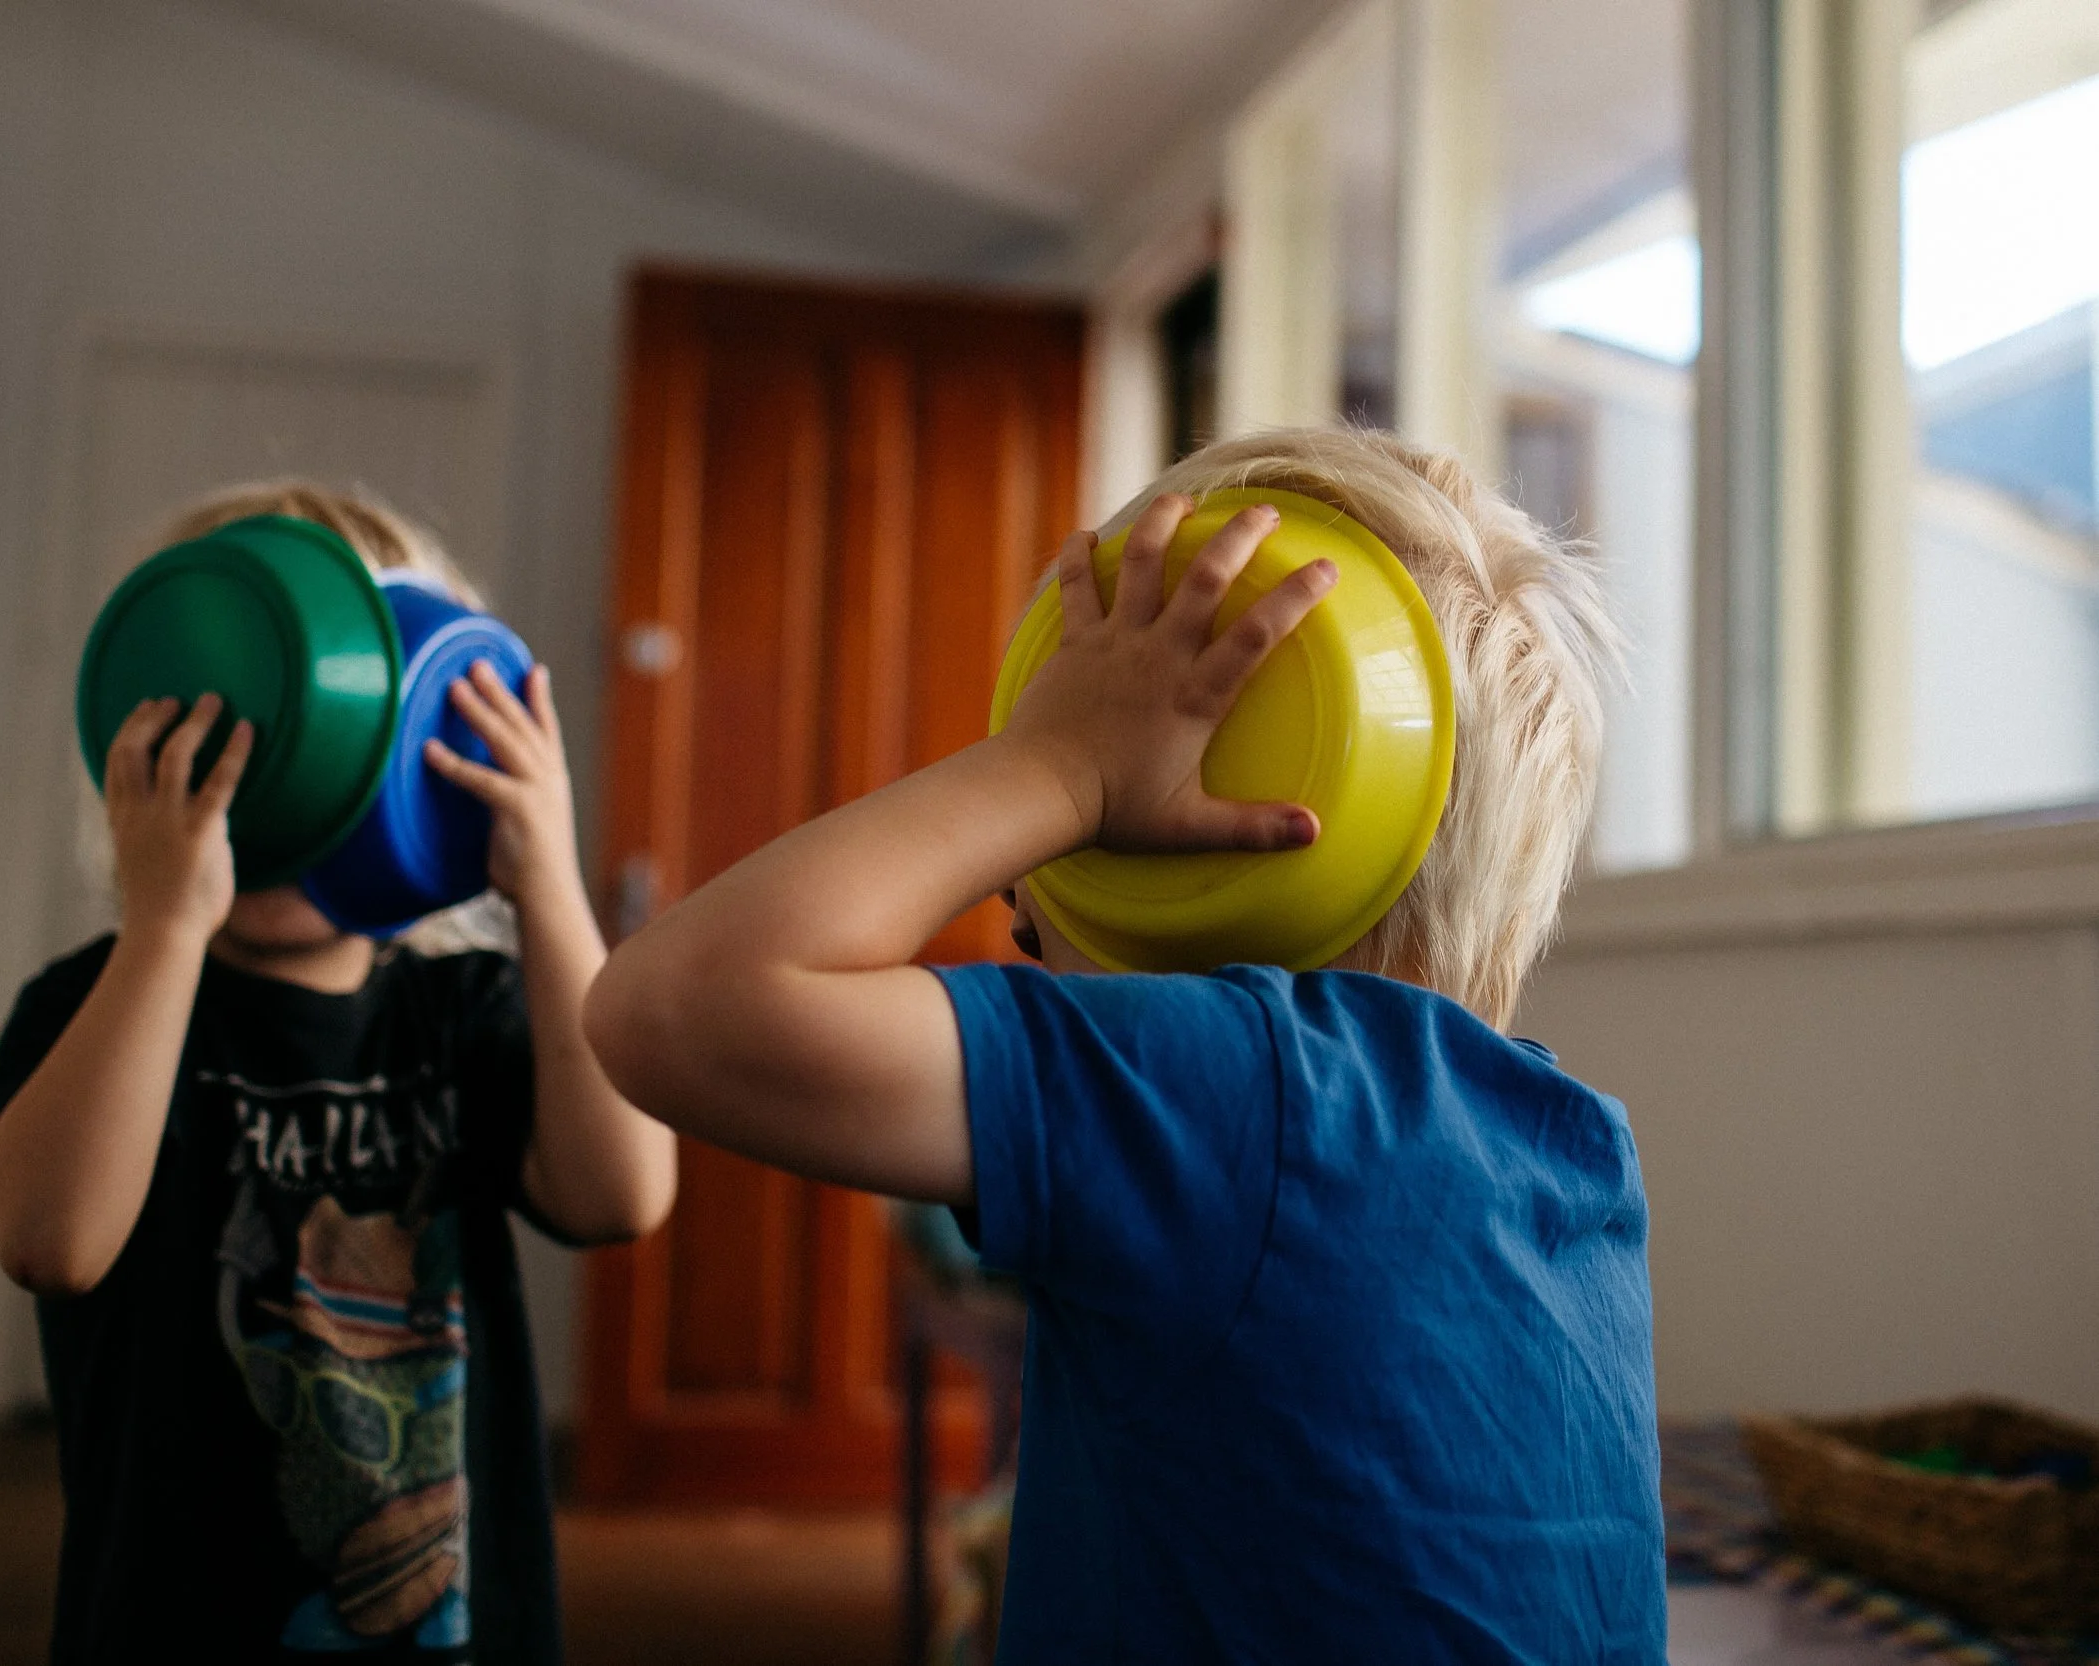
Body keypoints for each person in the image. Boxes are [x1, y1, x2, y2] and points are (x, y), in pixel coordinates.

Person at [585, 427, 1662, 1663]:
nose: (1020, 890)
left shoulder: (1243, 1087)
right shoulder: (1579, 1144)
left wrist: (1055, 764)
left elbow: (671, 1005)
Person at [0, 483, 675, 1664]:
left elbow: (621, 1195)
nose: (296, 800)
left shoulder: (464, 1011)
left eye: (350, 743)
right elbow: (49, 1238)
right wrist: (162, 933)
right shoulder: (97, 1009)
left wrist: (546, 887)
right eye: (237, 741)